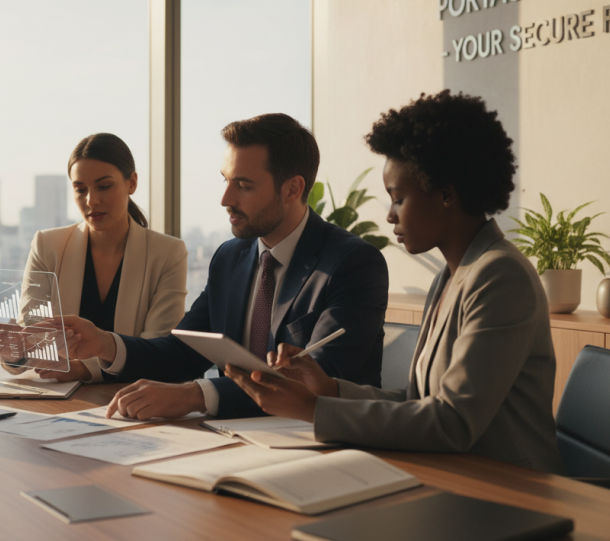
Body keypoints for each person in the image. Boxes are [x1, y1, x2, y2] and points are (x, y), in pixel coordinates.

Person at [226, 91, 565, 473]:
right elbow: (419, 402)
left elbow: (452, 423)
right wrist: (328, 389)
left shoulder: (501, 277)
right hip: (454, 473)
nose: (389, 216)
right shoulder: (452, 275)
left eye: (398, 199)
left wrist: (312, 409)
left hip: (509, 488)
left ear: (447, 195)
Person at [61, 113, 389, 419]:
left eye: (243, 186)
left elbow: (319, 381)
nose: (226, 199)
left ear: (293, 189)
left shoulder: (352, 263)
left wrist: (195, 395)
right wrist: (105, 343)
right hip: (231, 439)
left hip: (323, 447)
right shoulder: (230, 257)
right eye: (226, 181)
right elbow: (183, 352)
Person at [0, 133, 188, 383]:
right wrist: (13, 352)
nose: (92, 200)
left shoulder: (168, 253)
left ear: (132, 183)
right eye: (80, 189)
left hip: (132, 399)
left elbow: (158, 350)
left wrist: (86, 370)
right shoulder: (47, 246)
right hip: (62, 405)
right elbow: (34, 341)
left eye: (104, 186)